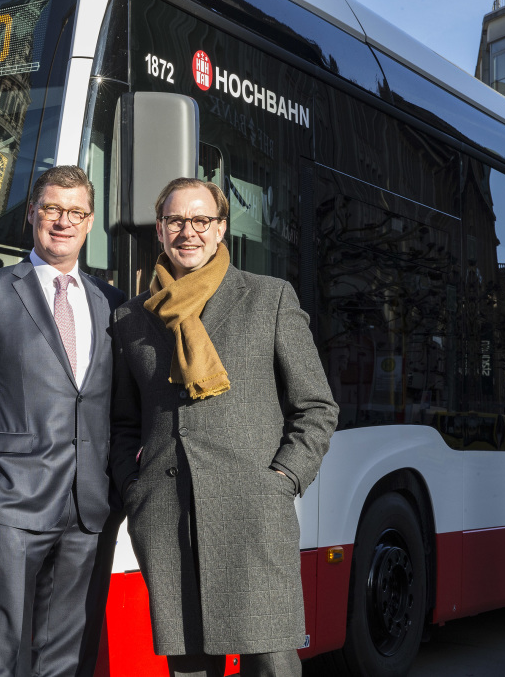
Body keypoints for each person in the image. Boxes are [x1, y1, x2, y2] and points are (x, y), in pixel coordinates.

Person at [110, 179, 338, 677]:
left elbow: (316, 406)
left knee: (271, 662)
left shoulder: (269, 298)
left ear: (221, 229)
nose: (187, 232)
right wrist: (134, 490)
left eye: (200, 221)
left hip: (254, 510)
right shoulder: (130, 317)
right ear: (160, 230)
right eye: (176, 221)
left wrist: (283, 479)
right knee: (189, 667)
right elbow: (124, 422)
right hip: (168, 513)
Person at [0, 165, 124, 677]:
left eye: (76, 212)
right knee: (1, 657)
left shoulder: (110, 302)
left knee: (65, 662)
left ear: (89, 223)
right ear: (31, 216)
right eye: (52, 209)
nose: (63, 221)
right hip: (11, 504)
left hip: (88, 509)